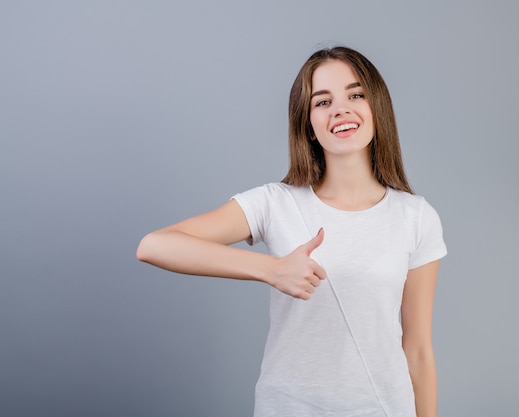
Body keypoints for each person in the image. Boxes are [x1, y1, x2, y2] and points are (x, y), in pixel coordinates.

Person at [137, 46, 447, 417]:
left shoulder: (416, 217)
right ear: (309, 126)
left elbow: (418, 350)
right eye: (322, 102)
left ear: (376, 108)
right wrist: (270, 269)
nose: (341, 109)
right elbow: (154, 245)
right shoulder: (274, 203)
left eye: (356, 94)